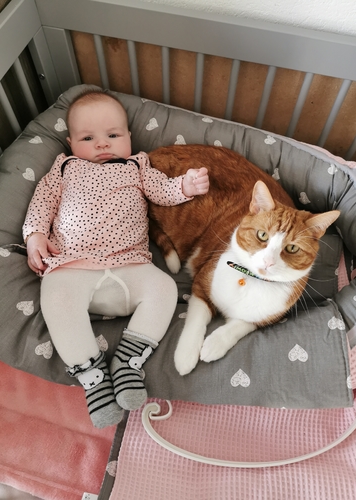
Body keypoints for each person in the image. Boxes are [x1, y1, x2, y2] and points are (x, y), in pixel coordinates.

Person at [23, 90, 209, 428]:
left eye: (113, 135)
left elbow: (163, 191)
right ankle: (92, 376)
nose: (101, 144)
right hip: (73, 265)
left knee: (164, 288)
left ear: (129, 137)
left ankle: (127, 362)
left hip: (131, 265)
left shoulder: (138, 166)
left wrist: (186, 186)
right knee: (55, 295)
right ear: (70, 143)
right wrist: (35, 234)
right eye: (88, 138)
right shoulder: (65, 167)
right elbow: (43, 201)